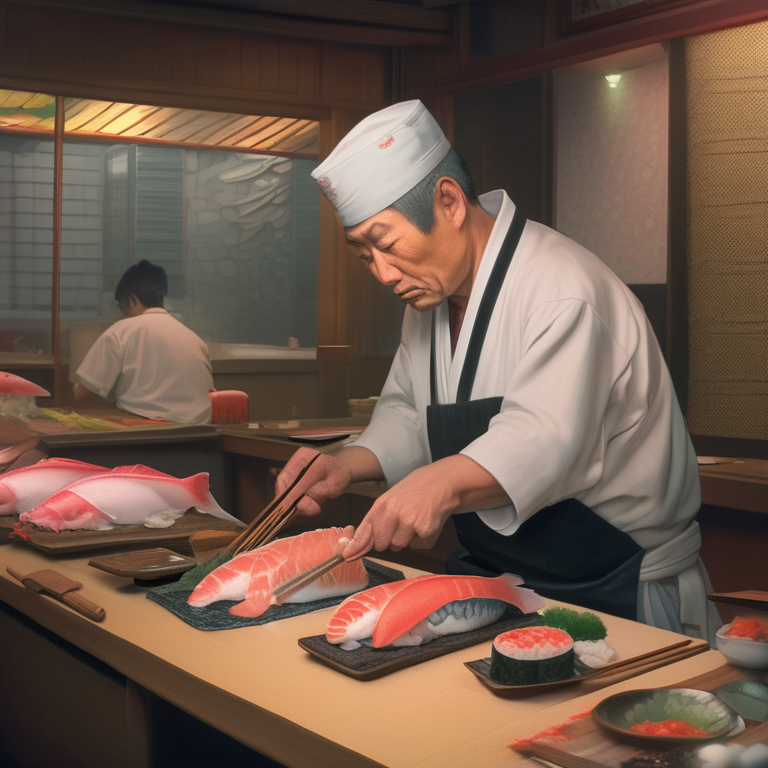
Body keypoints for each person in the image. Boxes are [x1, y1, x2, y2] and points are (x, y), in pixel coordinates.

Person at [276, 100, 720, 644]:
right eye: (364, 255)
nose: (384, 274)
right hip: (501, 588)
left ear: (449, 201)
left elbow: (542, 441)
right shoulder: (429, 300)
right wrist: (345, 466)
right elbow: (410, 415)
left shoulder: (563, 290)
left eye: (387, 243)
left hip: (612, 588)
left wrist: (436, 484)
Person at [74, 260, 214, 424]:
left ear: (133, 299)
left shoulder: (121, 331)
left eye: (122, 308)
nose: (122, 315)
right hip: (202, 432)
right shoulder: (194, 339)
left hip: (147, 433)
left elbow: (83, 392)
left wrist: (74, 389)